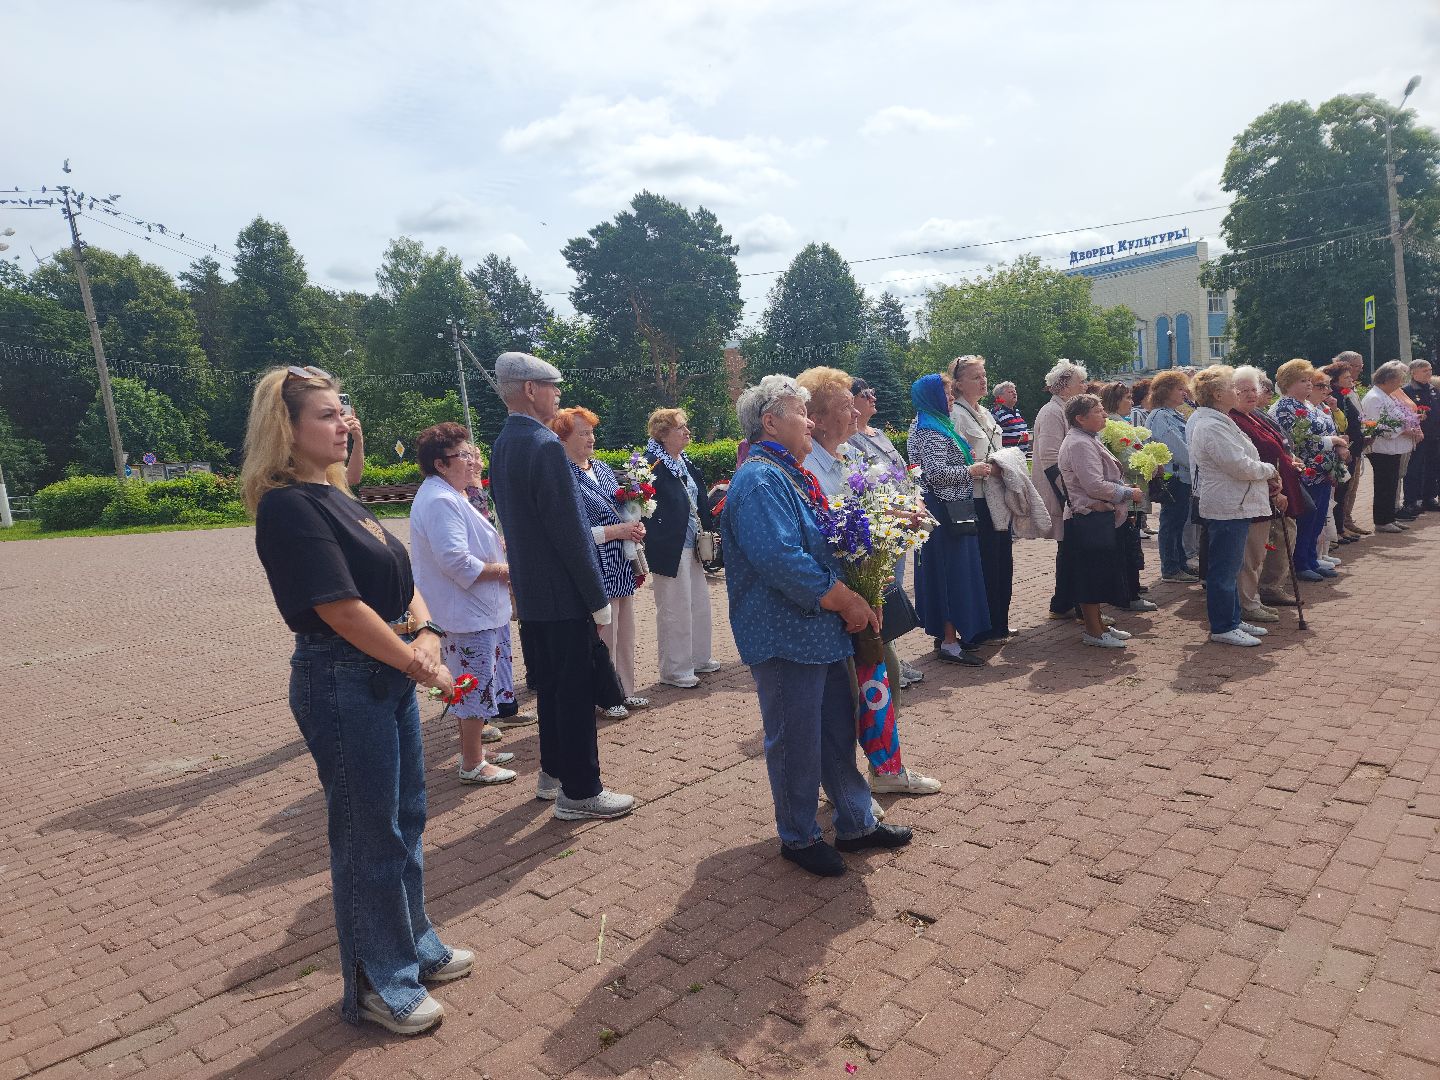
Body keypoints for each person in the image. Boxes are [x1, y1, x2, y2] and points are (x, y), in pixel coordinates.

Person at [243, 365, 469, 1035]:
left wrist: (425, 632)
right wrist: (419, 663)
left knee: (406, 819)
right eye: (327, 416)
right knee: (369, 837)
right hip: (344, 682)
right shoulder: (289, 506)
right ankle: (379, 984)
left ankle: (415, 947)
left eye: (344, 413)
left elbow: (401, 581)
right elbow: (340, 609)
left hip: (386, 674)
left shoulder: (337, 494)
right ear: (287, 429)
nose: (344, 425)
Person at [721, 374, 912, 877]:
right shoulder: (761, 478)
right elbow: (780, 557)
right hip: (786, 634)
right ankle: (799, 835)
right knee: (795, 738)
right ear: (770, 422)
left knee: (833, 730)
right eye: (800, 413)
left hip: (817, 630)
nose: (810, 422)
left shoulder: (789, 472)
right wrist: (845, 598)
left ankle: (854, 820)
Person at [488, 351, 636, 821]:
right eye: (553, 386)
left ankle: (552, 773)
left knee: (551, 689)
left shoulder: (504, 442)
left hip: (534, 595)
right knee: (572, 694)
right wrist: (597, 599)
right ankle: (581, 792)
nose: (558, 395)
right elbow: (570, 533)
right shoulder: (545, 445)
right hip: (563, 594)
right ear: (531, 389)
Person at [795, 366, 939, 797]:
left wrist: (902, 515)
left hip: (868, 589)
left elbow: (870, 504)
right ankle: (853, 785)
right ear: (817, 418)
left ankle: (883, 769)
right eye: (844, 405)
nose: (856, 411)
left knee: (882, 680)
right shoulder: (809, 467)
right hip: (841, 600)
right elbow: (831, 525)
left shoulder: (847, 455)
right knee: (854, 696)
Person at [409, 423, 519, 787]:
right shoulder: (440, 499)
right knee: (473, 685)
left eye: (474, 453)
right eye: (465, 455)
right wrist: (505, 570)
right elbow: (455, 561)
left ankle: (475, 753)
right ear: (441, 463)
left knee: (469, 682)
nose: (474, 462)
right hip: (467, 612)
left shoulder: (449, 494)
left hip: (472, 609)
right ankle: (472, 763)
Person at [552, 406, 650, 720]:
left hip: (621, 561)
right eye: (583, 433)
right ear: (563, 437)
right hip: (594, 564)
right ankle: (605, 696)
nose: (591, 438)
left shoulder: (603, 469)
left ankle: (625, 690)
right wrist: (616, 530)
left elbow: (624, 507)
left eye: (592, 431)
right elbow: (569, 532)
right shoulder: (562, 475)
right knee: (602, 633)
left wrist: (635, 525)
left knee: (625, 631)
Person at [1187, 366, 1279, 647]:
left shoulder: (1219, 420)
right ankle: (1223, 626)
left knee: (1230, 566)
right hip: (1228, 504)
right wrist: (1269, 470)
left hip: (1234, 502)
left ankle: (1233, 619)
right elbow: (1238, 465)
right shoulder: (1211, 425)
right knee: (1224, 570)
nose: (1236, 392)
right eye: (1231, 387)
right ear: (1217, 394)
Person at [907, 374, 990, 664]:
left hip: (950, 510)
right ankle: (949, 641)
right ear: (931, 396)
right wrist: (973, 471)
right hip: (943, 512)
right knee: (948, 575)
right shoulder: (930, 429)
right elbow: (936, 474)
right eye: (946, 393)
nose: (952, 397)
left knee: (954, 574)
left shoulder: (935, 423)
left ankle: (951, 635)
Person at [849, 376, 925, 690]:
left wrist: (916, 501)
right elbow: (862, 490)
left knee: (892, 591)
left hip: (901, 521)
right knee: (881, 591)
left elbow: (901, 471)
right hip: (880, 524)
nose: (873, 397)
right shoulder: (848, 441)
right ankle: (883, 657)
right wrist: (901, 513)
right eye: (866, 393)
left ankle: (890, 654)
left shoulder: (877, 434)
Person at [641, 408, 719, 688]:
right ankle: (674, 670)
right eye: (680, 428)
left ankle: (699, 657)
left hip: (693, 542)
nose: (687, 432)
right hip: (669, 545)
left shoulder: (682, 460)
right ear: (663, 434)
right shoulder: (650, 465)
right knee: (674, 607)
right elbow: (638, 506)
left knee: (698, 602)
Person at [1056, 394, 1137, 648]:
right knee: (1090, 575)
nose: (1104, 414)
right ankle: (1093, 630)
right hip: (1087, 518)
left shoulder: (1087, 438)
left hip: (1095, 516)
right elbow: (1093, 485)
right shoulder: (1079, 443)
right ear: (1080, 418)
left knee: (1099, 572)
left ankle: (1099, 625)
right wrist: (1127, 493)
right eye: (1098, 410)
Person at [949, 355, 1015, 641]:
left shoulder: (987, 413)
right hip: (974, 498)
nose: (983, 380)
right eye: (976, 376)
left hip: (997, 496)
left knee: (1003, 560)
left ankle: (999, 622)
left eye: (984, 374)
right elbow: (954, 458)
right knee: (984, 563)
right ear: (959, 383)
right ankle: (982, 626)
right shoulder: (956, 416)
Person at [1229, 366, 1302, 623]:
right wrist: (1273, 489)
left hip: (1277, 486)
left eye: (1253, 390)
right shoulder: (1233, 420)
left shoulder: (1254, 415)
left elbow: (1277, 444)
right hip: (1261, 492)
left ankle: (1263, 591)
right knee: (1254, 551)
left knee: (1271, 542)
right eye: (1243, 391)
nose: (1251, 395)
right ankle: (1255, 596)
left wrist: (1289, 458)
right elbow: (1248, 460)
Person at [1270, 360, 1344, 583]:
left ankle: (1311, 559)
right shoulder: (1285, 407)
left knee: (1317, 519)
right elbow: (1296, 441)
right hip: (1304, 473)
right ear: (1288, 383)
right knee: (1306, 518)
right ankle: (1300, 563)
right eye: (1303, 381)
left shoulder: (1309, 405)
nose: (1309, 385)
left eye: (1309, 380)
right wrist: (1331, 441)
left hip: (1320, 471)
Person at [1033, 359, 1090, 620]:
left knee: (1069, 548)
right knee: (1073, 548)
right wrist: (1071, 494)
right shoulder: (1052, 412)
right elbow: (1049, 458)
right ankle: (1078, 604)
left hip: (1069, 492)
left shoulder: (1064, 409)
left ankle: (1064, 601)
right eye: (1081, 382)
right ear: (1065, 386)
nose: (1085, 386)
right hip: (1065, 494)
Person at [1099, 381, 1156, 614]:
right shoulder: (1112, 425)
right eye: (1127, 398)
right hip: (1126, 493)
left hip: (1132, 491)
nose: (1131, 402)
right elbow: (1127, 458)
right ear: (1115, 400)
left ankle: (1130, 589)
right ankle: (1128, 594)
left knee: (1129, 543)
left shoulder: (1119, 423)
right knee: (1128, 545)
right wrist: (1151, 464)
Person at [1147, 371, 1195, 583]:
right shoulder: (1161, 417)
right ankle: (1171, 567)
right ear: (1166, 391)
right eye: (1179, 388)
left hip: (1181, 476)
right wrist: (1197, 463)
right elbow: (1177, 448)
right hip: (1173, 477)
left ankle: (1180, 562)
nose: (1184, 392)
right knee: (1171, 522)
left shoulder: (1172, 414)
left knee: (1178, 520)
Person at [1362, 360, 1422, 533]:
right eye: (1398, 380)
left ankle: (1389, 518)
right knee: (1384, 485)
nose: (1401, 384)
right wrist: (1405, 430)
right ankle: (1382, 520)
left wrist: (1409, 424)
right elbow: (1377, 425)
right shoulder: (1374, 397)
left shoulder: (1385, 395)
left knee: (1391, 484)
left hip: (1392, 448)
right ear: (1387, 380)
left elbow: (1398, 417)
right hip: (1381, 449)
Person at [1323, 360, 1368, 542]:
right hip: (1341, 450)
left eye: (1351, 376)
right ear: (1335, 380)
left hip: (1352, 448)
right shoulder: (1335, 397)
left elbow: (1346, 421)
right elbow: (1340, 425)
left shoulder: (1345, 395)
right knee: (1340, 490)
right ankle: (1338, 529)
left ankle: (1341, 526)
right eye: (1346, 377)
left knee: (1346, 489)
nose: (1351, 380)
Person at [1334, 351, 1372, 535]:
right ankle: (1341, 524)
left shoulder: (1352, 389)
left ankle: (1346, 519)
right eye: (1356, 366)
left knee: (1352, 486)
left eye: (1360, 366)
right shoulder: (1336, 394)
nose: (1359, 370)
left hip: (1356, 447)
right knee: (1343, 488)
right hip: (1345, 449)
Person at [1402, 359, 1440, 512]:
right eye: (1425, 370)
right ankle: (1411, 501)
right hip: (1417, 435)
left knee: (1433, 467)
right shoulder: (1408, 390)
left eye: (1430, 369)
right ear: (1413, 372)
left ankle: (1429, 498)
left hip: (1434, 435)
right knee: (1414, 468)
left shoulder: (1432, 389)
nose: (1429, 373)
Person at [988, 381, 1032, 450]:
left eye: (1015, 391)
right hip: (1007, 456)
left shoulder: (1017, 412)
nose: (1014, 393)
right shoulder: (996, 412)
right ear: (1000, 396)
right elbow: (991, 435)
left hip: (1021, 455)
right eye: (1010, 392)